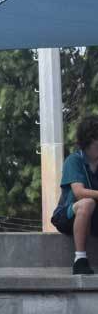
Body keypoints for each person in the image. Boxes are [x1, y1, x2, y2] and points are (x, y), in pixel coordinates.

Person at [56, 117, 98, 274]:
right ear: (89, 140)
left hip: (94, 218)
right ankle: (80, 260)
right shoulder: (73, 160)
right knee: (87, 202)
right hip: (67, 216)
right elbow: (79, 193)